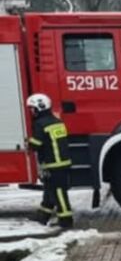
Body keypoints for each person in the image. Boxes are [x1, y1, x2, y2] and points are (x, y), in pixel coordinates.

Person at [26, 93, 73, 229]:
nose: (32, 111)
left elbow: (37, 144)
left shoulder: (40, 124)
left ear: (39, 107)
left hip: (54, 164)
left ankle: (66, 220)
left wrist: (28, 143)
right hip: (63, 162)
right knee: (49, 190)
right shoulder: (57, 122)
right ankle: (43, 215)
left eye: (32, 108)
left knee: (59, 192)